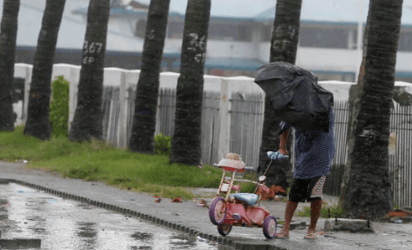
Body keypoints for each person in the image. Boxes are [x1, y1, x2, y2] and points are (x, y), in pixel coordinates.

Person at [268, 107, 335, 239]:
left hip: (322, 154)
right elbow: (285, 124)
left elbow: (320, 125)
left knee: (315, 192)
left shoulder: (324, 105)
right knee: (295, 191)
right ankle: (285, 229)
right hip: (303, 154)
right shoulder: (296, 105)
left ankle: (311, 229)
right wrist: (282, 147)